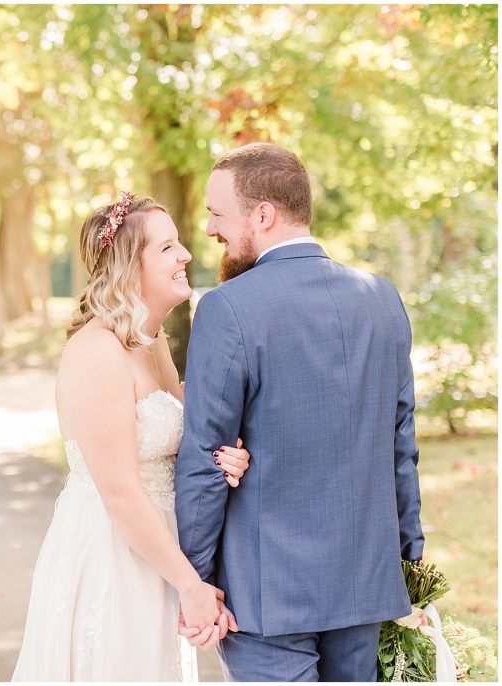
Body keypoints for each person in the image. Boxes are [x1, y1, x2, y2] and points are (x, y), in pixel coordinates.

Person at [175, 142, 424, 681]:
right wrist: (409, 551)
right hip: (364, 579)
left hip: (266, 594)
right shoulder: (383, 298)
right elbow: (400, 441)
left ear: (262, 214)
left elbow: (205, 456)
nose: (212, 229)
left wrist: (192, 579)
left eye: (218, 213)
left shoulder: (226, 308)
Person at [12, 193, 251, 681]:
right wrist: (190, 585)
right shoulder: (96, 351)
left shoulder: (151, 340)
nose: (186, 255)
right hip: (112, 552)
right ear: (127, 267)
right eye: (167, 249)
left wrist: (227, 457)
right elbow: (119, 492)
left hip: (157, 550)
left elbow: (191, 428)